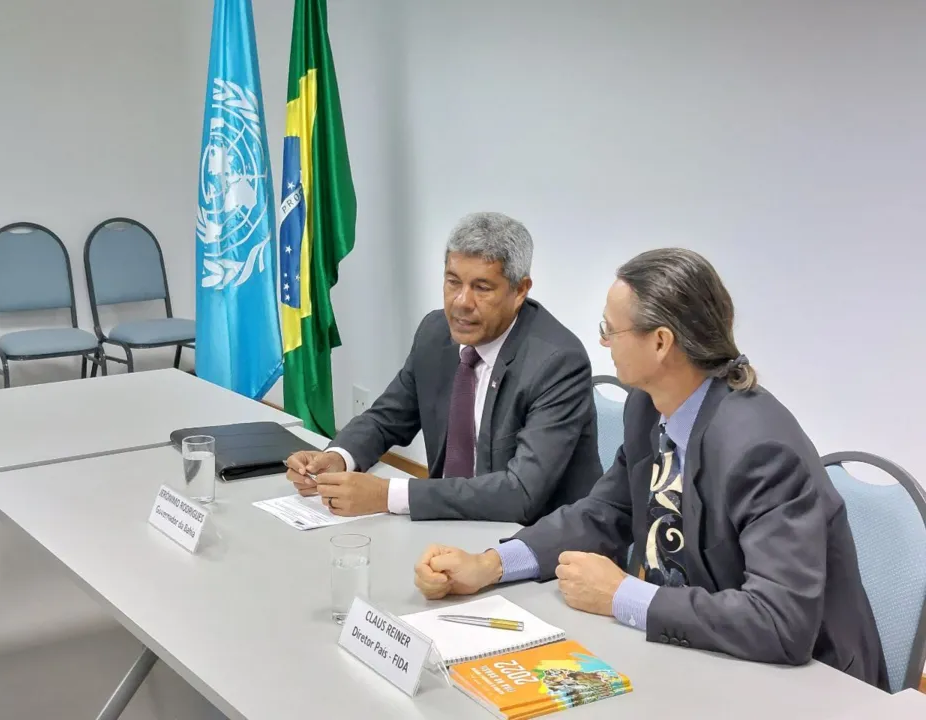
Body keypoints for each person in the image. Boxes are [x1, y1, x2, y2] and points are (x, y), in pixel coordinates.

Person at [413, 248, 889, 689]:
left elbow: (781, 622)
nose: (603, 343)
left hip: (811, 684)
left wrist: (624, 596)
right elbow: (602, 513)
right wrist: (491, 564)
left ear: (661, 342)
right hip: (703, 658)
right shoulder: (648, 408)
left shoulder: (759, 448)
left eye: (610, 330)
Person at [285, 212, 603, 523]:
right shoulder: (435, 333)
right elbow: (386, 419)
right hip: (450, 526)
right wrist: (339, 457)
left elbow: (520, 493)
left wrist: (387, 495)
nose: (461, 302)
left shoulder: (557, 362)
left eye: (482, 287)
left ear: (520, 290)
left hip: (541, 545)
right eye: (453, 282)